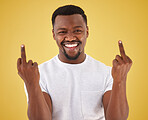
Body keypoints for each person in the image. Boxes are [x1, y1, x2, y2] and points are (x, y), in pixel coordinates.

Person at [17, 5, 132, 120]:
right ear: (54, 34)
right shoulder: (38, 74)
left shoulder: (108, 73)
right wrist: (31, 84)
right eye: (62, 32)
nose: (71, 38)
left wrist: (120, 80)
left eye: (77, 31)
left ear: (87, 32)